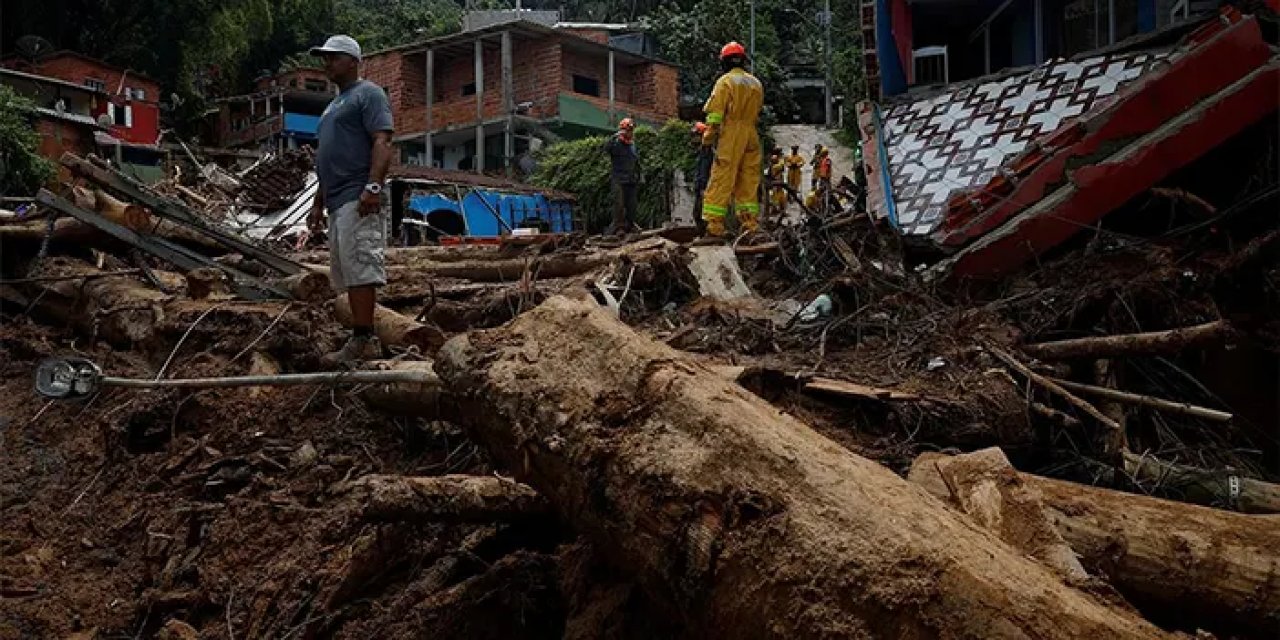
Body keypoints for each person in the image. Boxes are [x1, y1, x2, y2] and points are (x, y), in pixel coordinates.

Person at [306, 35, 395, 365]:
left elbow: (382, 140)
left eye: (333, 57)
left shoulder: (368, 94)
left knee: (361, 267)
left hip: (359, 194)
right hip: (336, 199)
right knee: (347, 271)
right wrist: (317, 203)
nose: (326, 63)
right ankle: (360, 335)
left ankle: (364, 340)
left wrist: (373, 187)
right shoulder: (331, 107)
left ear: (353, 61)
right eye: (324, 57)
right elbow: (325, 160)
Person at [699, 41, 764, 239]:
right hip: (751, 134)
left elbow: (715, 116)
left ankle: (714, 225)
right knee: (748, 178)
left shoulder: (725, 82)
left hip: (732, 134)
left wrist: (708, 140)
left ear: (724, 61)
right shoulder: (755, 83)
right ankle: (750, 224)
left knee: (723, 176)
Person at [602, 117, 640, 236]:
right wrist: (614, 137)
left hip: (631, 179)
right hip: (618, 179)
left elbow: (636, 161)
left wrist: (639, 175)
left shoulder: (632, 145)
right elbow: (605, 149)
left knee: (632, 204)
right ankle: (618, 227)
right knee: (619, 204)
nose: (629, 133)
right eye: (627, 130)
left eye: (631, 130)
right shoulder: (616, 144)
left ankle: (631, 224)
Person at [767, 149, 787, 218]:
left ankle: (782, 210)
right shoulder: (775, 167)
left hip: (780, 184)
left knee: (782, 197)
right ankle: (774, 210)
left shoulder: (774, 166)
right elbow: (781, 166)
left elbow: (782, 167)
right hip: (776, 184)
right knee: (775, 198)